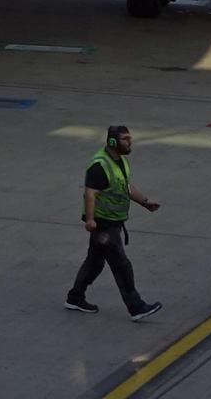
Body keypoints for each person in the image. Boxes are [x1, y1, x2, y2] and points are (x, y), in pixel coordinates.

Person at [66, 125, 162, 321]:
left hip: (113, 221)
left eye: (130, 138)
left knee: (94, 264)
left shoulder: (120, 162)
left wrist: (145, 202)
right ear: (112, 142)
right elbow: (90, 194)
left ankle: (75, 297)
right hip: (102, 224)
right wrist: (91, 220)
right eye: (125, 139)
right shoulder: (99, 165)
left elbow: (125, 185)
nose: (130, 142)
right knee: (121, 264)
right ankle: (136, 307)